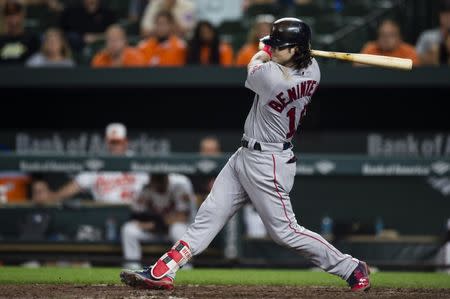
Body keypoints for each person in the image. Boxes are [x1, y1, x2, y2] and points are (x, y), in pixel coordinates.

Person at [120, 18, 371, 292]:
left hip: (269, 162)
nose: (274, 49)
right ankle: (163, 270)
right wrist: (281, 47)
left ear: (297, 50)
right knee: (210, 214)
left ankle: (350, 267)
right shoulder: (313, 69)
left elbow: (254, 63)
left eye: (280, 46)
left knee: (285, 232)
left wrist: (263, 49)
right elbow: (285, 58)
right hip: (246, 154)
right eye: (274, 45)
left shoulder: (273, 77)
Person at [41, 123, 149, 204]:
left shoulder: (136, 161)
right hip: (105, 212)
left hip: (133, 212)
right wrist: (54, 197)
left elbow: (154, 184)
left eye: (118, 142)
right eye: (112, 142)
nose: (115, 146)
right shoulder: (98, 162)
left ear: (125, 142)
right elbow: (76, 185)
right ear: (107, 142)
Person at [121, 173, 196, 269]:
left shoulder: (179, 187)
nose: (158, 181)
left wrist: (156, 224)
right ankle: (132, 267)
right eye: (155, 177)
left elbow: (183, 217)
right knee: (129, 229)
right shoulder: (146, 189)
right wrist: (148, 224)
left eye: (161, 178)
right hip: (153, 230)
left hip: (170, 230)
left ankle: (186, 268)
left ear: (167, 178)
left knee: (178, 228)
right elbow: (136, 214)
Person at [0, 1, 39, 65]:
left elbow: (37, 62)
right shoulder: (1, 40)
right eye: (8, 15)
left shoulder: (32, 39)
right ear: (4, 18)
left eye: (16, 14)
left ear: (22, 15)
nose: (13, 18)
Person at [416, 0, 450, 65]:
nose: (449, 18)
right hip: (431, 73)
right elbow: (416, 59)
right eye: (446, 15)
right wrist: (431, 54)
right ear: (440, 16)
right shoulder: (428, 36)